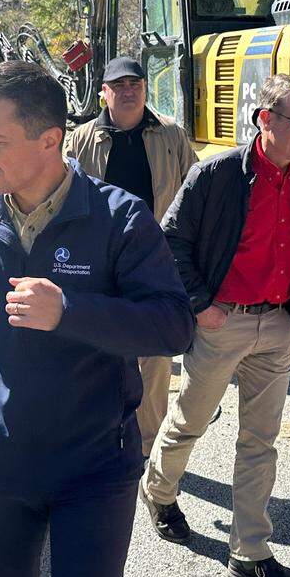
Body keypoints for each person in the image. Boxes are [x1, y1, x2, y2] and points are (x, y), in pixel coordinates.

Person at [0, 61, 194, 577]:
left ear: (49, 140)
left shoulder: (120, 220)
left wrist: (70, 311)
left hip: (95, 466)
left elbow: (172, 325)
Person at [140, 73, 290, 577]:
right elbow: (171, 240)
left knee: (260, 442)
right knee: (188, 424)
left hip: (278, 326)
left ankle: (250, 552)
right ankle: (158, 493)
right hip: (222, 323)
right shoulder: (218, 174)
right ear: (265, 119)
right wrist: (202, 305)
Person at [66, 56, 198, 457]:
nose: (128, 91)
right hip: (97, 261)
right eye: (118, 85)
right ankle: (96, 433)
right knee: (94, 348)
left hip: (152, 261)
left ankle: (146, 445)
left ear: (145, 88)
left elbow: (195, 197)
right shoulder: (81, 140)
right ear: (103, 92)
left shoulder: (171, 136)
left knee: (154, 358)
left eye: (135, 84)